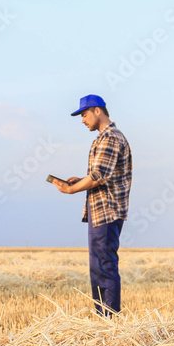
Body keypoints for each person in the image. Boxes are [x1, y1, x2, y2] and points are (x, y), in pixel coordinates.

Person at [55, 94, 132, 316]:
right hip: (102, 211)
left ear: (98, 111)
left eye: (84, 114)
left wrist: (71, 189)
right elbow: (100, 175)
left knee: (104, 267)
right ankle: (104, 319)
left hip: (106, 211)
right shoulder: (105, 138)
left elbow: (98, 175)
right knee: (99, 267)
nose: (82, 120)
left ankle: (108, 321)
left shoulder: (110, 138)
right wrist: (80, 180)